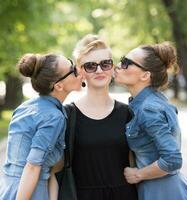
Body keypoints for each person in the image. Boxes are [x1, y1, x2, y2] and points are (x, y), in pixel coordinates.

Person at [114, 42, 187, 200]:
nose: (119, 65)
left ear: (145, 75)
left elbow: (172, 160)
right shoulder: (149, 101)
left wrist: (137, 174)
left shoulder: (149, 109)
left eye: (127, 63)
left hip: (163, 192)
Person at [53, 34, 138, 200]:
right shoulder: (67, 115)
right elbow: (56, 170)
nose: (99, 70)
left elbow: (136, 162)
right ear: (80, 71)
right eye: (91, 66)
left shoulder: (128, 113)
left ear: (113, 67)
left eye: (105, 64)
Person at [0, 53, 82, 200]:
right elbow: (33, 166)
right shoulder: (54, 117)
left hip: (5, 189)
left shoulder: (26, 107)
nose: (78, 70)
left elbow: (52, 170)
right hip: (28, 192)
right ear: (58, 85)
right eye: (72, 69)